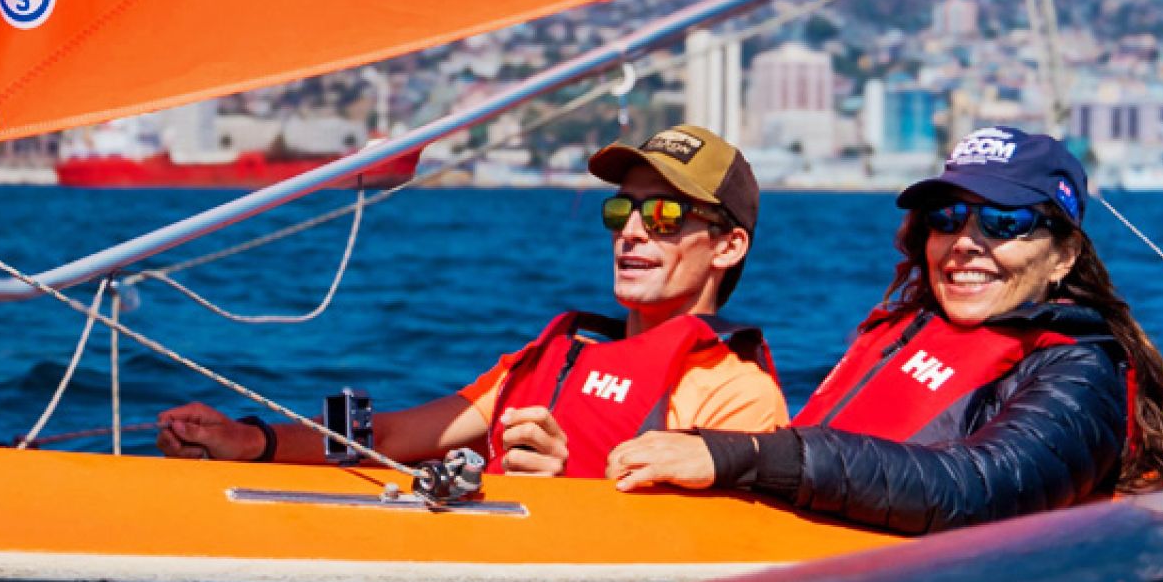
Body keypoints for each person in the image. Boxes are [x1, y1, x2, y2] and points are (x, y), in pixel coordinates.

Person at [606, 127, 1163, 533]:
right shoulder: (904, 334)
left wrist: (744, 455)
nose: (965, 242)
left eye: (1003, 222)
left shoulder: (1081, 377)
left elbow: (976, 491)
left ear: (1062, 255)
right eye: (947, 217)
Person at [157, 126, 788, 472]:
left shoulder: (736, 393)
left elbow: (709, 559)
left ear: (728, 247)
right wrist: (252, 442)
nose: (633, 230)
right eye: (623, 210)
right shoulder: (559, 356)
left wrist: (566, 489)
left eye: (666, 214)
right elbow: (393, 434)